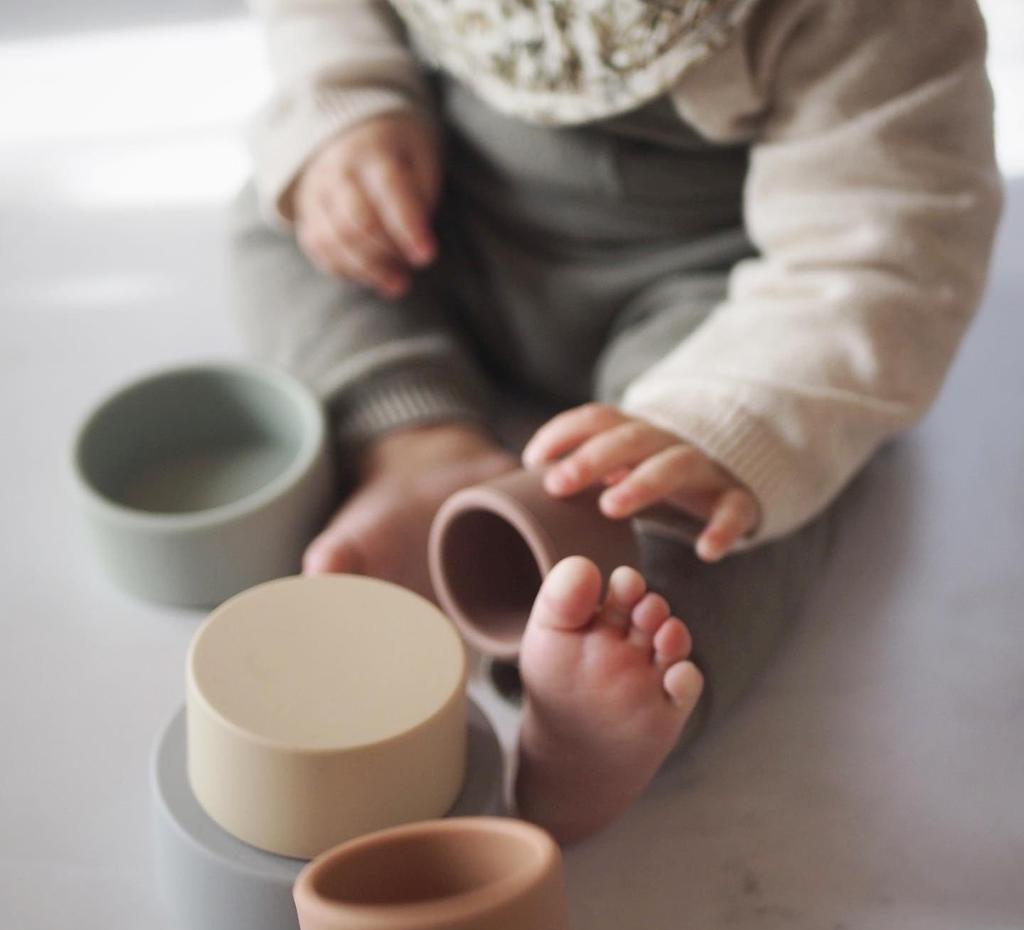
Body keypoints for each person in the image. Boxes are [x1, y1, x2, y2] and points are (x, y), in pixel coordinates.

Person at [228, 0, 1002, 843]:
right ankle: (418, 439)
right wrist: (348, 108)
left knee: (732, 504)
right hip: (453, 207)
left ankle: (607, 690)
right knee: (282, 216)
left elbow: (885, 252)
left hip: (720, 310)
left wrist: (723, 421)